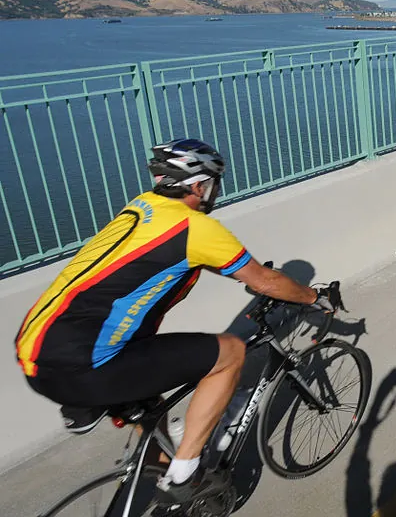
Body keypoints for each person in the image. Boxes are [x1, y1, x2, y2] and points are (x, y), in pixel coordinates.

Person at [14, 139, 338, 507]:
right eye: (214, 182)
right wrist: (314, 297)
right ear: (199, 185)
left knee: (152, 406)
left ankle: (156, 463)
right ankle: (184, 477)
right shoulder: (197, 229)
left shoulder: (141, 207)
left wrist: (242, 270)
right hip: (87, 366)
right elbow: (263, 282)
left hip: (36, 351)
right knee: (230, 353)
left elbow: (160, 259)